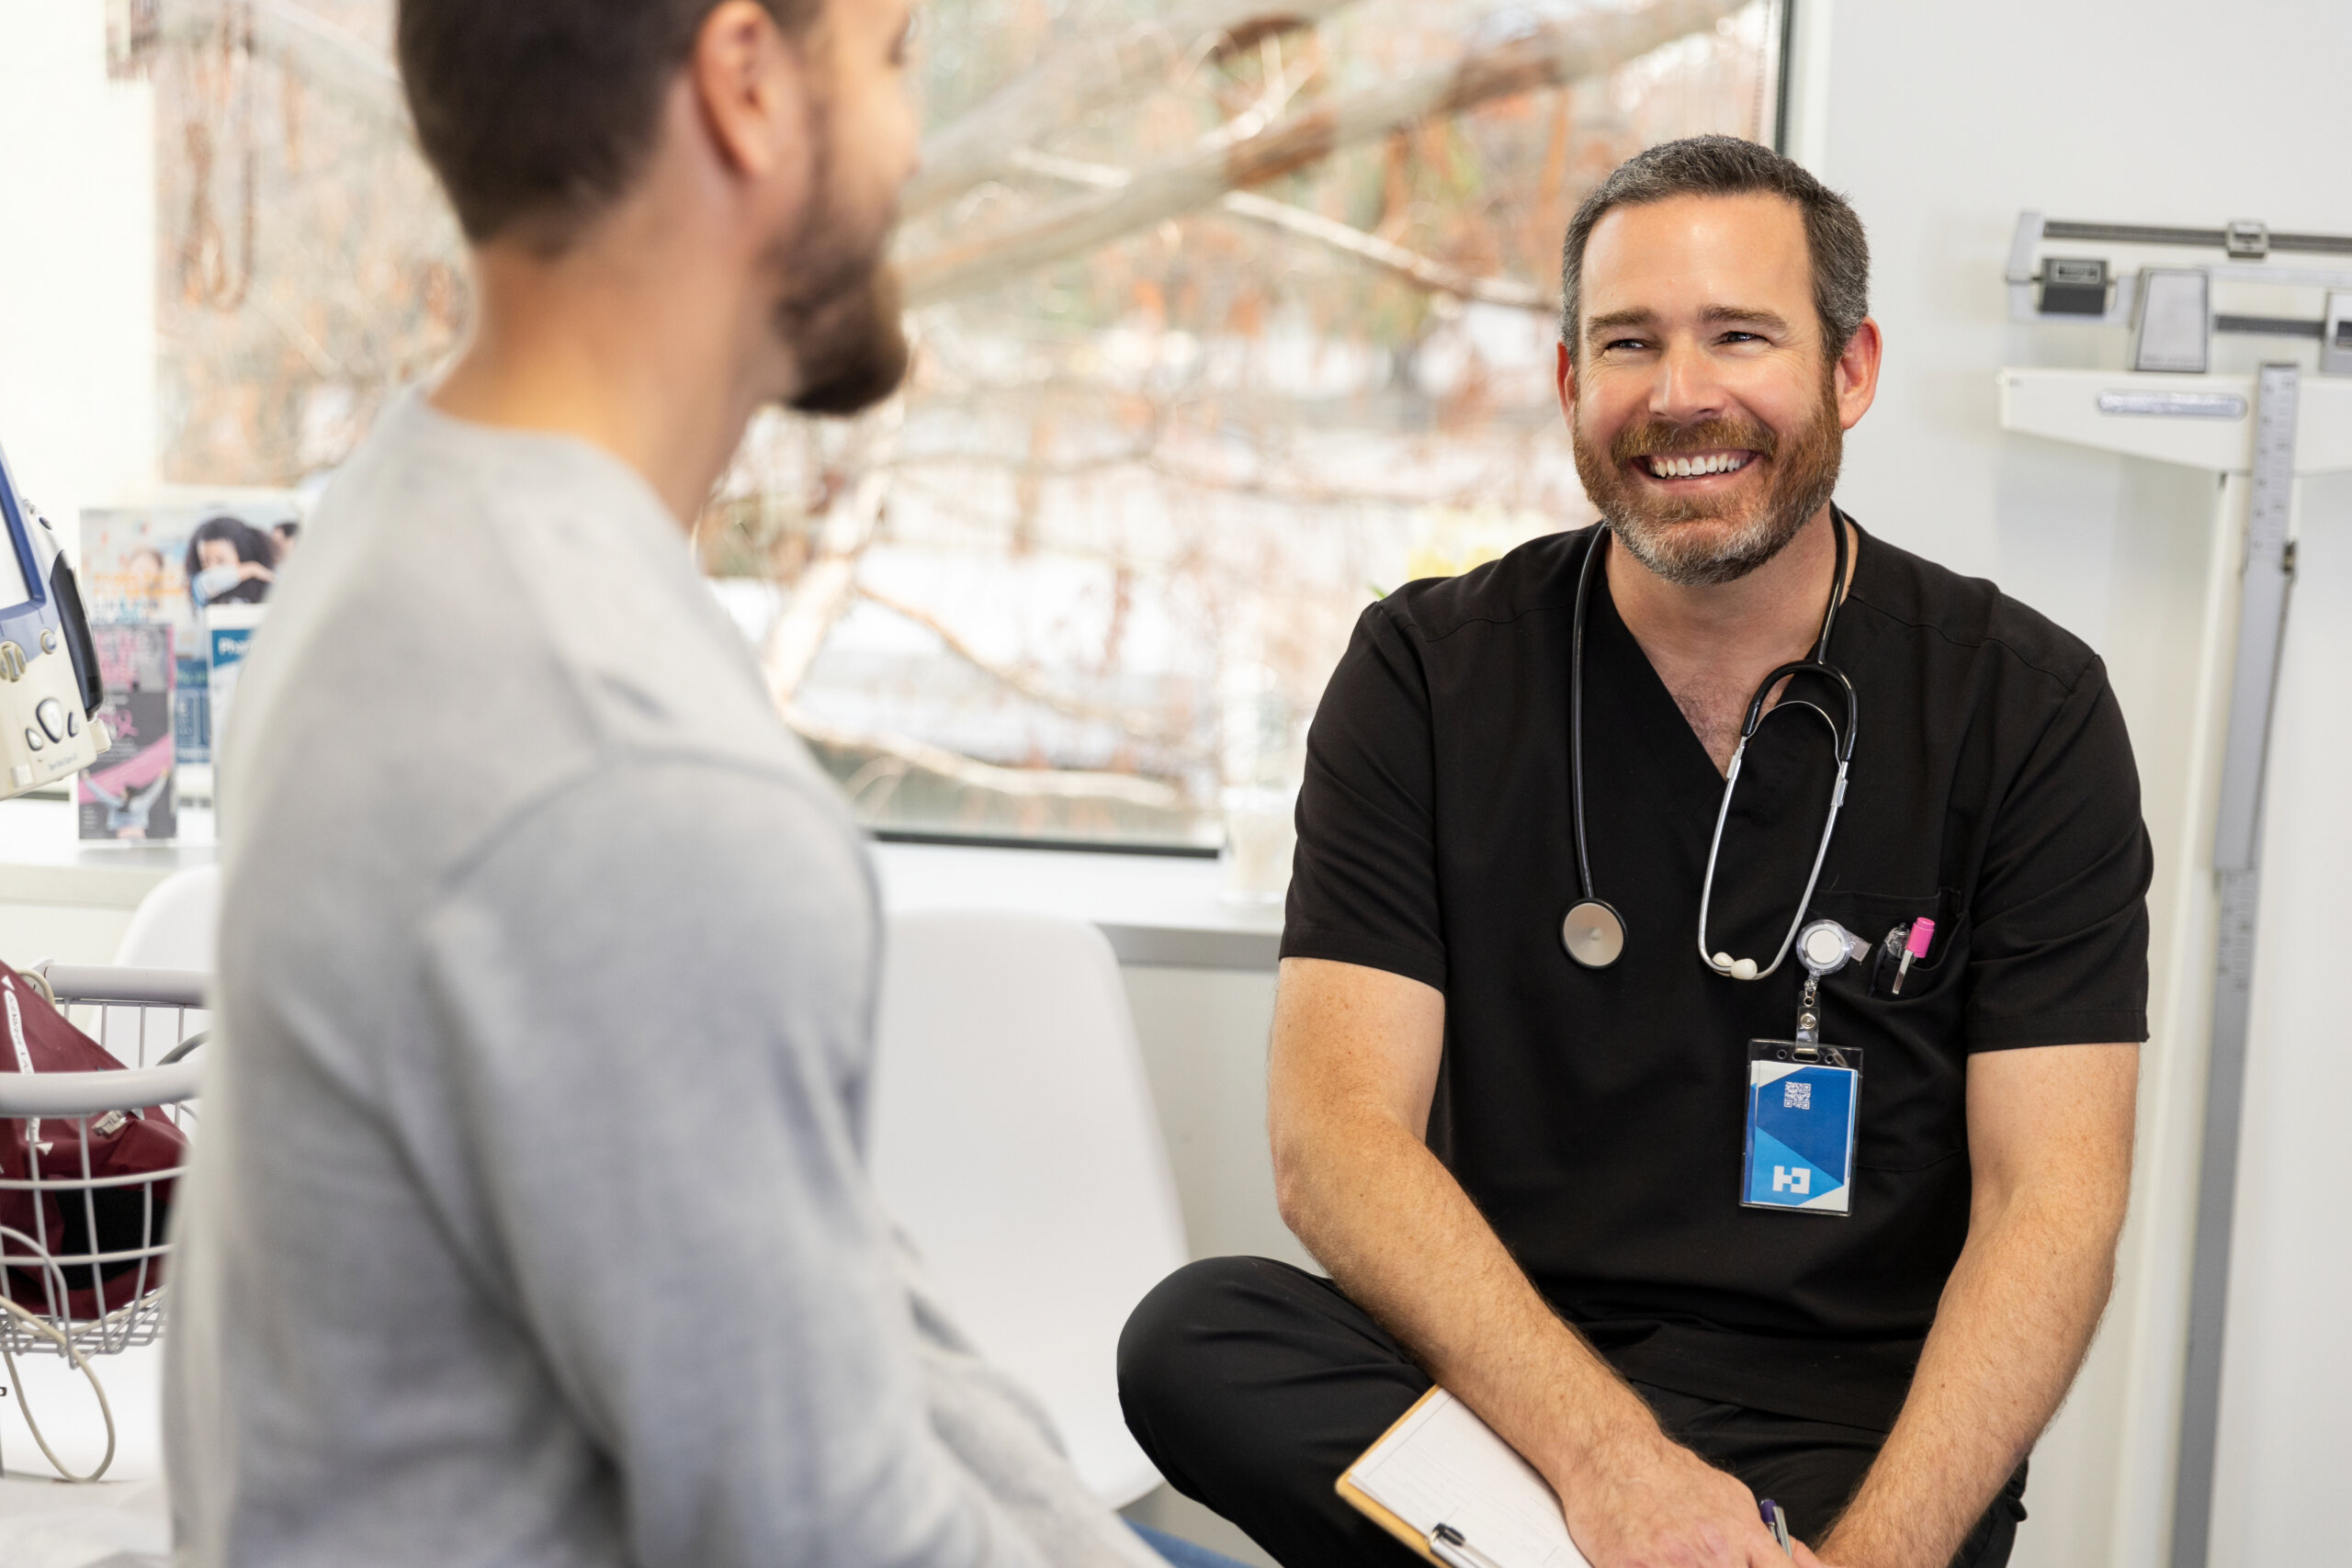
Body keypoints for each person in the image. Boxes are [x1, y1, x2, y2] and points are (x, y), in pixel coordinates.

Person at [162, 5, 1236, 1567]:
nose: (915, 143)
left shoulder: (414, 519)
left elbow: (844, 1287)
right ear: (745, 84)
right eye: (890, 57)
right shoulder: (617, 753)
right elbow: (828, 1536)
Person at [1118, 136, 2148, 1568]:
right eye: (1628, 343)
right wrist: (1613, 1466)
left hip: (1847, 1427)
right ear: (1568, 384)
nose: (1679, 395)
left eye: (1740, 335)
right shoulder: (1429, 676)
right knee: (1201, 1333)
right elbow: (1336, 1144)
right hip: (1508, 1393)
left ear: (1851, 370)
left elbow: (2053, 1202)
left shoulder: (2022, 705)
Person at [182, 515, 276, 608]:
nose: (212, 568)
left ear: (242, 556)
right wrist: (252, 569)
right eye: (205, 562)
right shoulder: (200, 585)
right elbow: (210, 580)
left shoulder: (257, 589)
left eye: (220, 561)